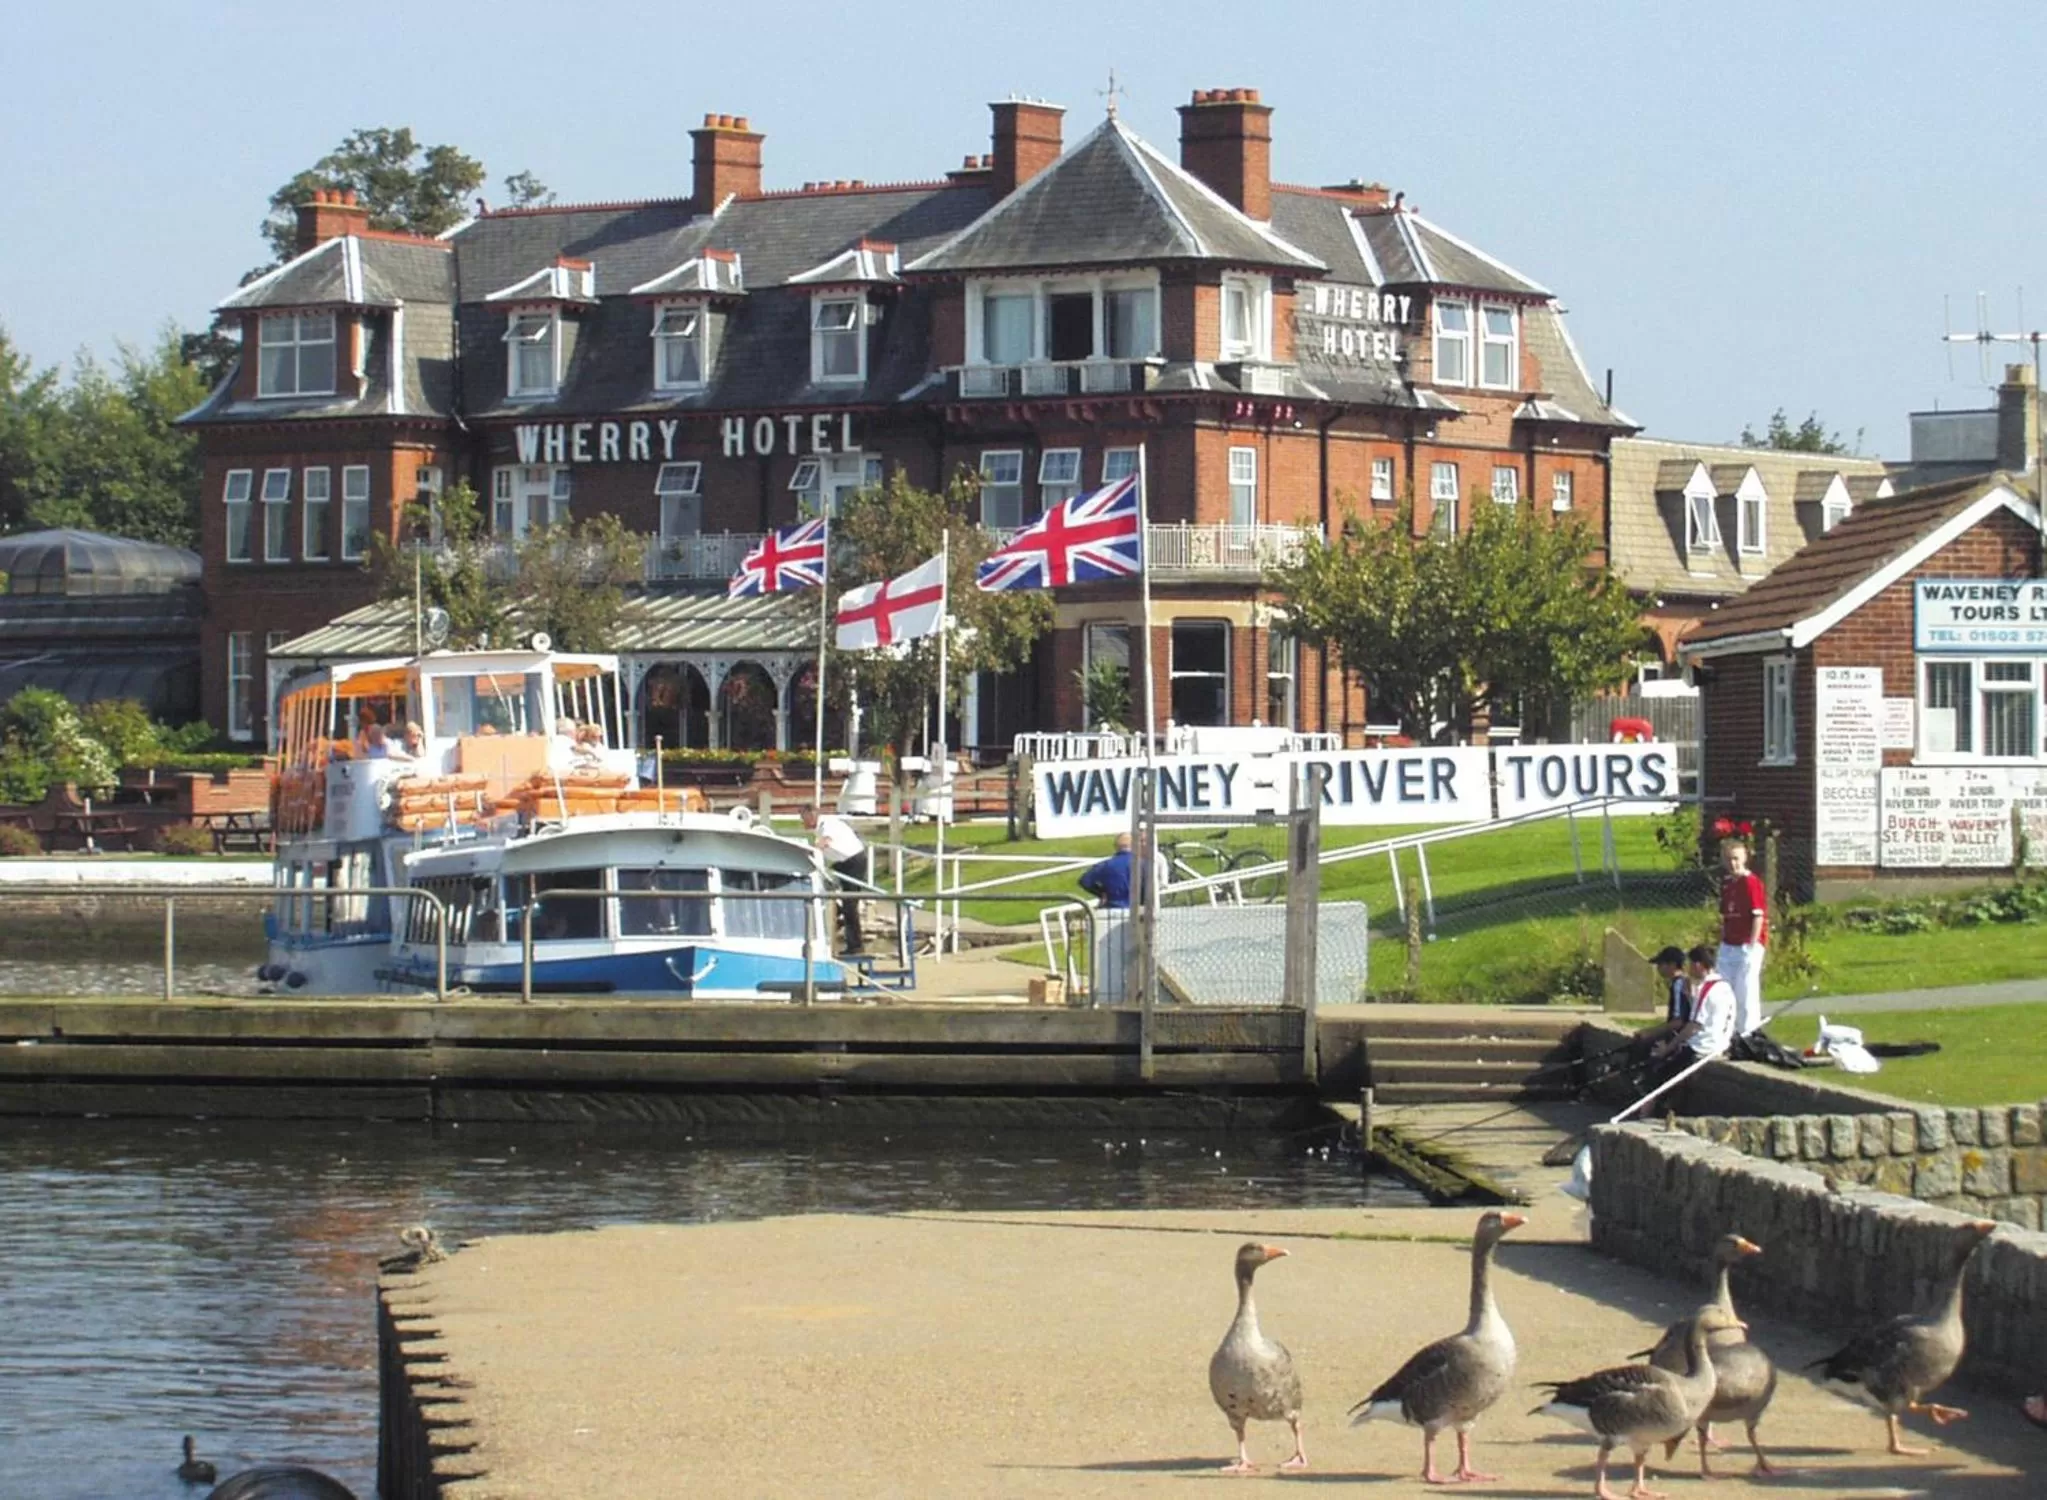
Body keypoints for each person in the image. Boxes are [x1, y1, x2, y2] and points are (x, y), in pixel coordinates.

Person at [1641, 945, 1737, 1096]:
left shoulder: (1706, 990)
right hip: (1721, 1045)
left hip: (1702, 1047)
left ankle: (1646, 1114)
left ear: (1698, 965)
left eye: (1690, 964)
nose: (1688, 969)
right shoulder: (1725, 987)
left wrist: (1667, 1048)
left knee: (1655, 1071)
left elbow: (1692, 1026)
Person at [1717, 839, 1769, 1039]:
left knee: (1746, 990)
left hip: (1747, 944)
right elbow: (1725, 916)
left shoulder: (1751, 882)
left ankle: (1748, 1033)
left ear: (1745, 859)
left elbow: (1758, 915)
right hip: (1729, 943)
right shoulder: (1728, 883)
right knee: (1724, 989)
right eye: (1729, 859)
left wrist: (1752, 944)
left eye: (1736, 859)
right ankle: (1727, 1032)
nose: (1733, 864)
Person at [803, 804, 869, 953]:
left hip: (853, 862)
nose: (803, 823)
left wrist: (811, 850)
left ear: (811, 816)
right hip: (843, 863)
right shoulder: (821, 827)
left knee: (850, 904)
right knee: (831, 891)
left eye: (804, 819)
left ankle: (856, 945)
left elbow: (826, 841)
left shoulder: (827, 823)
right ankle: (836, 917)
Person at [1080, 833, 1136, 910]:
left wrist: (1101, 893)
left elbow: (1085, 880)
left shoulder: (1105, 865)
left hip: (1111, 908)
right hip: (1137, 909)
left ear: (1116, 847)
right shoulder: (1141, 863)